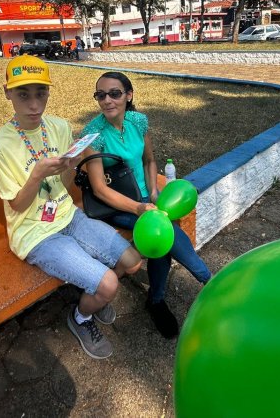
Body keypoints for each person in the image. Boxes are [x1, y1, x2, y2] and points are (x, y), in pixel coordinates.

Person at [0, 56, 142, 359]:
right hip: (36, 234)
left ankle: (95, 295)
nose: (34, 105)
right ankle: (80, 317)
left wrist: (70, 165)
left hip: (69, 216)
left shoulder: (58, 127)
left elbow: (66, 185)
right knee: (109, 284)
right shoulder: (0, 146)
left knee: (133, 262)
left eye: (40, 94)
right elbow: (17, 207)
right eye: (23, 95)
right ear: (7, 92)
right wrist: (37, 175)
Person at [79, 72, 211, 338]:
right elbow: (100, 190)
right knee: (162, 227)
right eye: (100, 95)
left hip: (145, 200)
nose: (107, 100)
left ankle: (158, 299)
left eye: (114, 93)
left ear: (129, 96)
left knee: (160, 237)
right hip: (118, 206)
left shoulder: (138, 122)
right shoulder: (94, 134)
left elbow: (150, 161)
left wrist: (152, 193)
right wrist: (139, 208)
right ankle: (208, 280)